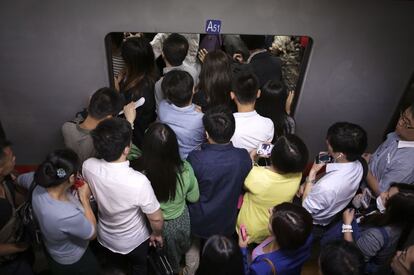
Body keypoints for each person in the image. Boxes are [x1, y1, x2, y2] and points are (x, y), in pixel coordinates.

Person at [83, 118, 163, 275]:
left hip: (106, 237)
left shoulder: (88, 166)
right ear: (127, 149)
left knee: (115, 269)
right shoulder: (138, 182)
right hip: (135, 241)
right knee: (139, 268)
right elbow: (156, 218)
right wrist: (157, 234)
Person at [132, 123, 200, 273]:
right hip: (179, 221)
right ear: (174, 147)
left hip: (150, 223)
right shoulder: (185, 169)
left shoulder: (138, 173)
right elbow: (194, 197)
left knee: (167, 258)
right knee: (180, 249)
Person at [17, 149, 98, 274]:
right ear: (71, 178)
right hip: (72, 258)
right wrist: (85, 199)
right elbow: (92, 234)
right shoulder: (66, 215)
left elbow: (19, 179)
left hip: (50, 247)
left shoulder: (36, 182)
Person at [187, 105, 252, 239]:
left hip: (199, 221)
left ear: (206, 134)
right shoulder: (243, 157)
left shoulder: (196, 159)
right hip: (226, 222)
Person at [237, 135, 309, 244]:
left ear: (273, 155)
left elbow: (245, 184)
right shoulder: (298, 175)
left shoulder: (256, 177)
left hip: (250, 229)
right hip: (274, 227)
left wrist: (252, 157)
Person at [301, 122, 367, 233]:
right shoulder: (360, 164)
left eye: (329, 145)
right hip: (329, 205)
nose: (327, 144)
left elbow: (305, 210)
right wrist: (309, 183)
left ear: (340, 154)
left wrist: (312, 174)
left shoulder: (326, 187)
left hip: (313, 223)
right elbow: (330, 174)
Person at [341, 183, 414, 273]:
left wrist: (347, 225)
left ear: (395, 210)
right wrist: (359, 207)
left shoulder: (377, 236)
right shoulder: (399, 220)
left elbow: (353, 256)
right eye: (387, 191)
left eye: (387, 197)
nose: (382, 194)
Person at [239, 203, 313, 275]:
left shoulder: (262, 268)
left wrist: (242, 249)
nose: (269, 209)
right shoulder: (306, 237)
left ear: (279, 234)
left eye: (271, 221)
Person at [61, 87, 127, 163]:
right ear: (108, 117)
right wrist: (130, 121)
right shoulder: (101, 142)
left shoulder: (67, 127)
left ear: (90, 103)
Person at [115, 36, 158, 147]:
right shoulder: (152, 73)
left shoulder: (137, 93)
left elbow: (120, 115)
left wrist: (117, 90)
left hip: (135, 141)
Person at [0, 139, 34, 275]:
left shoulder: (6, 179)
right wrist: (19, 247)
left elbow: (17, 199)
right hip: (8, 262)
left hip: (20, 240)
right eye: (11, 158)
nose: (15, 158)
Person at [366, 102, 414, 195]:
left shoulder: (408, 164)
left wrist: (364, 168)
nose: (400, 122)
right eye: (402, 116)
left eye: (407, 122)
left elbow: (382, 193)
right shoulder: (397, 134)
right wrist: (370, 159)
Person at [158, 70, 205, 159]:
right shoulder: (200, 119)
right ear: (193, 90)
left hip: (169, 156)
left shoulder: (162, 107)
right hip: (192, 160)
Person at [230, 71, 274, 153]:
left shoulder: (226, 123)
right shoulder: (268, 124)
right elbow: (264, 153)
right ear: (258, 93)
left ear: (232, 95)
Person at [154, 33, 198, 108]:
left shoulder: (159, 84)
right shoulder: (193, 72)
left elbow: (159, 110)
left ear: (163, 54)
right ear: (186, 54)